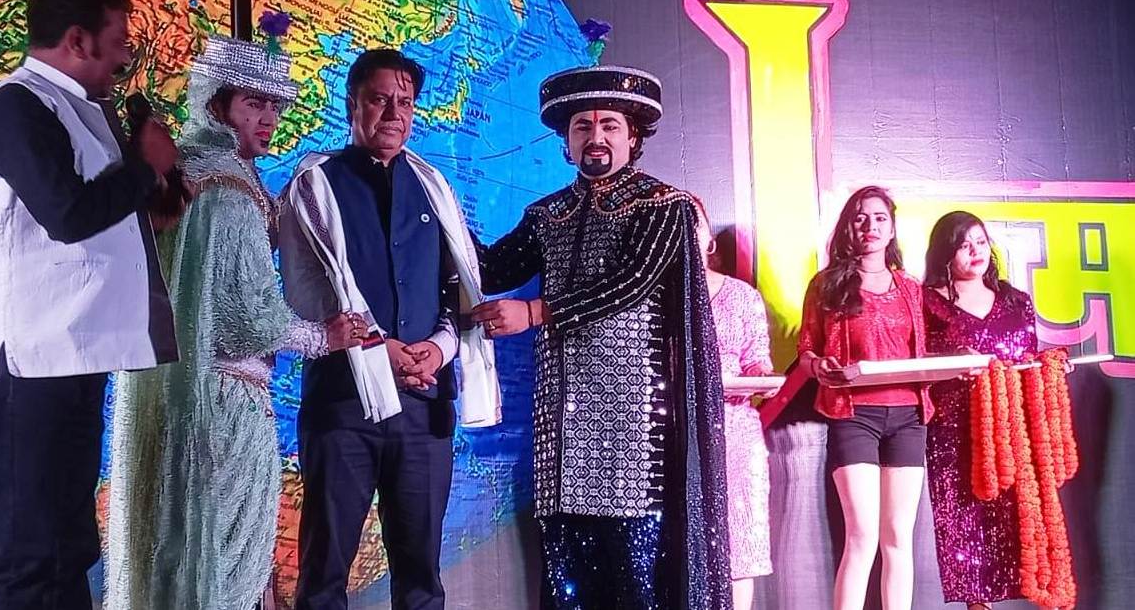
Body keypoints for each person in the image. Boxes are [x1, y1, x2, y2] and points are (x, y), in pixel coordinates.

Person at [103, 34, 366, 609]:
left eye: (274, 105)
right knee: (226, 558)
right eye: (253, 103)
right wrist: (323, 336)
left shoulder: (191, 172)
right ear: (218, 104)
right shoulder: (228, 191)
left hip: (183, 392)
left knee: (179, 550)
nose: (268, 118)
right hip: (222, 402)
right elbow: (246, 318)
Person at [0, 0, 182, 609]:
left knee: (68, 547)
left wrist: (154, 181)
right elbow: (68, 214)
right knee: (27, 554)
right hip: (24, 358)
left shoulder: (79, 110)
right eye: (119, 41)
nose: (126, 58)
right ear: (77, 40)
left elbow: (109, 213)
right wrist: (144, 166)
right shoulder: (15, 106)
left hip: (71, 354)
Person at [469, 65, 732, 609]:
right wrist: (437, 214)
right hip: (561, 429)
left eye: (610, 125)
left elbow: (630, 284)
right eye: (583, 127)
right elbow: (491, 269)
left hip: (633, 429)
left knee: (634, 577)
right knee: (569, 579)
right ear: (566, 143)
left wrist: (534, 311)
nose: (596, 137)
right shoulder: (548, 214)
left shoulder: (664, 207)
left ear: (633, 137)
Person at [278, 48, 502, 609]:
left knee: (421, 577)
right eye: (379, 100)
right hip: (343, 407)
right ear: (352, 105)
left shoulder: (434, 188)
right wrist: (384, 351)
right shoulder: (315, 185)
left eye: (405, 102)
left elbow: (457, 290)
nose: (393, 113)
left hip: (424, 410)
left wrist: (437, 349)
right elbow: (309, 294)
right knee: (324, 574)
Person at [796, 185, 930, 610]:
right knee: (862, 536)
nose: (870, 226)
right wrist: (818, 366)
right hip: (853, 414)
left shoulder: (911, 287)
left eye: (879, 218)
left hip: (908, 416)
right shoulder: (827, 284)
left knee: (898, 537)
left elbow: (927, 349)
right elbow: (805, 352)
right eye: (860, 218)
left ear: (892, 229)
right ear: (848, 228)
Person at [921, 211, 1045, 609]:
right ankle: (976, 605)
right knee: (964, 525)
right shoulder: (927, 303)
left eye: (980, 242)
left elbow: (1030, 357)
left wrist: (1050, 367)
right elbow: (917, 359)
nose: (975, 251)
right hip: (953, 431)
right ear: (945, 253)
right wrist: (952, 359)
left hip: (1009, 430)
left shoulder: (1015, 301)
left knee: (1014, 523)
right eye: (963, 245)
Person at [693, 201, 774, 610]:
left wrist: (761, 375)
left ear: (708, 239)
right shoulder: (657, 301)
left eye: (694, 225)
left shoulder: (743, 296)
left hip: (737, 431)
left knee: (741, 543)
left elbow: (758, 360)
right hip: (679, 429)